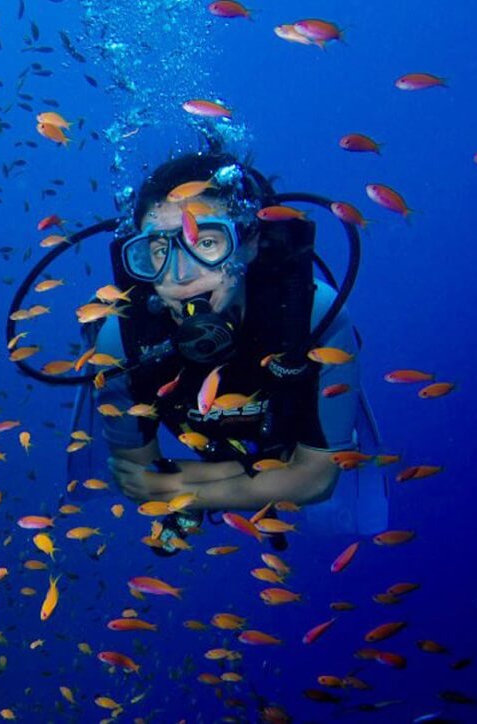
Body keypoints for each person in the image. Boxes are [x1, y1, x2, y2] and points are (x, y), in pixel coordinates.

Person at [90, 152, 364, 551]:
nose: (181, 275)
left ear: (249, 242)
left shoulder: (314, 316)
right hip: (256, 457)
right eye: (158, 250)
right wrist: (263, 478)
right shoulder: (121, 341)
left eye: (206, 241)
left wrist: (184, 488)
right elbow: (134, 478)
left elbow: (319, 480)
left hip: (283, 434)